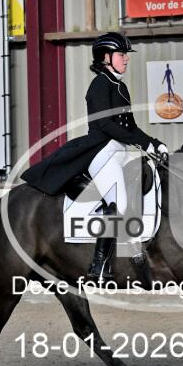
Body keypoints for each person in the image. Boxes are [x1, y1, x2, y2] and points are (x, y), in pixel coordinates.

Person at [21, 32, 167, 286]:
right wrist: (143, 144)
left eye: (125, 55)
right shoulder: (100, 84)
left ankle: (138, 248)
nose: (126, 59)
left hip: (121, 150)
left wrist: (154, 143)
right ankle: (99, 265)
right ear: (106, 57)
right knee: (119, 203)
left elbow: (130, 127)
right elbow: (107, 125)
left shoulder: (120, 87)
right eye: (121, 55)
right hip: (102, 151)